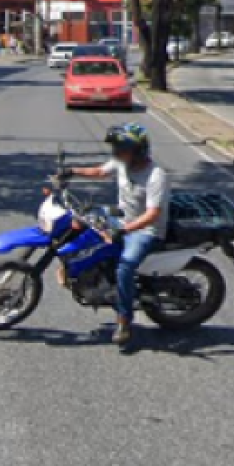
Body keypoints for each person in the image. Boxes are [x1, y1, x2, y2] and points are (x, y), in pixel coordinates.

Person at [62, 122, 171, 349]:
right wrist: (72, 171)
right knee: (79, 221)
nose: (117, 153)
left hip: (145, 230)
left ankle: (124, 320)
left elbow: (153, 214)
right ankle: (78, 271)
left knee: (126, 265)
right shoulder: (123, 162)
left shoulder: (156, 176)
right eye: (116, 149)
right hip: (121, 218)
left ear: (138, 150)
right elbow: (100, 171)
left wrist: (124, 230)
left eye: (121, 149)